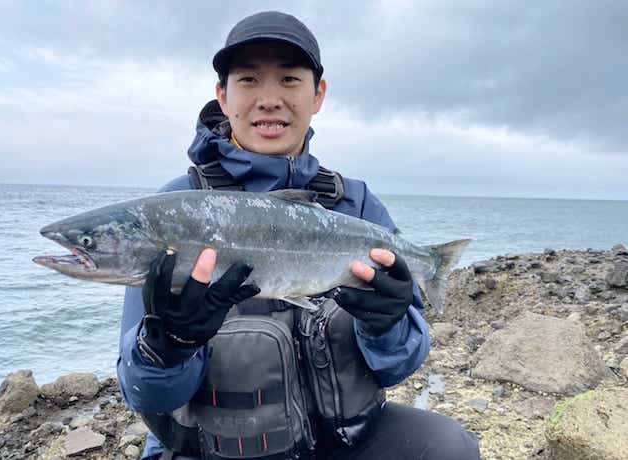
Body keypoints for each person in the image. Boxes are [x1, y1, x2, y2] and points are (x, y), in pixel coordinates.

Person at [117, 11, 480, 460]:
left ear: (318, 94)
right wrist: (168, 346)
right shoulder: (179, 208)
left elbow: (398, 366)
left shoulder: (356, 204)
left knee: (445, 446)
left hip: (338, 442)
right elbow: (146, 396)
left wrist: (385, 325)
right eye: (248, 80)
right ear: (222, 95)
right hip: (214, 450)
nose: (269, 100)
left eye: (289, 79)